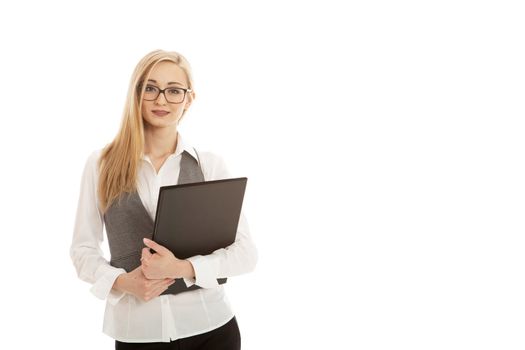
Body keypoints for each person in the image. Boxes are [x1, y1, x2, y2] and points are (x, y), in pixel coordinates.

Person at [70, 49, 258, 350]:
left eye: (174, 91)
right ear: (137, 92)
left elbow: (246, 253)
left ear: (188, 99)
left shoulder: (209, 165)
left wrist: (182, 268)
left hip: (212, 329)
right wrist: (123, 283)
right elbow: (82, 250)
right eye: (151, 88)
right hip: (138, 334)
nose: (161, 100)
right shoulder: (101, 164)